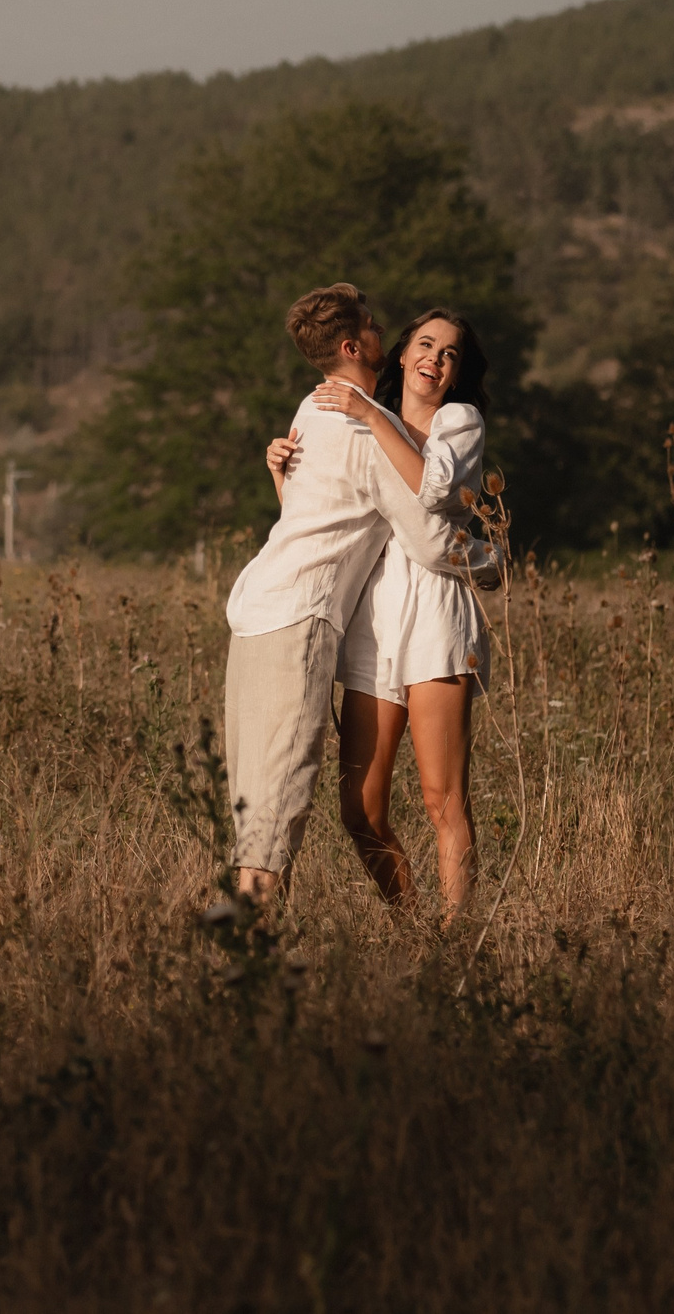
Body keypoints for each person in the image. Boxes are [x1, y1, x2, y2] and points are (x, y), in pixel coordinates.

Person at [269, 308, 498, 917]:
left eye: (450, 352)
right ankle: (414, 923)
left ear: (457, 371)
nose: (436, 358)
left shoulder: (458, 420)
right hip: (374, 618)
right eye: (425, 344)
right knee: (360, 809)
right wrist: (281, 474)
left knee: (442, 798)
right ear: (401, 355)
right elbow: (328, 521)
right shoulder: (373, 419)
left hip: (435, 618)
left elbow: (435, 494)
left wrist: (371, 414)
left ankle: (456, 944)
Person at [221, 284, 399, 904]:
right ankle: (247, 968)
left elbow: (313, 517)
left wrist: (278, 477)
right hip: (297, 618)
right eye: (373, 326)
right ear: (353, 346)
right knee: (275, 810)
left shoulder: (309, 409)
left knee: (254, 810)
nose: (384, 333)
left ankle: (244, 959)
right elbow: (426, 526)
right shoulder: (368, 430)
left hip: (256, 611)